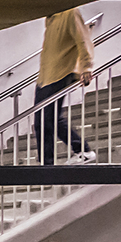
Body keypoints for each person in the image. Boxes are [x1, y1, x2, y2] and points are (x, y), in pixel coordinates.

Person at [34, 9, 97, 166]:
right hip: (44, 77)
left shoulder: (70, 13)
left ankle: (84, 150)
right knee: (41, 122)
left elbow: (83, 40)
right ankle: (46, 165)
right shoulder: (50, 18)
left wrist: (86, 67)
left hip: (62, 72)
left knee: (50, 118)